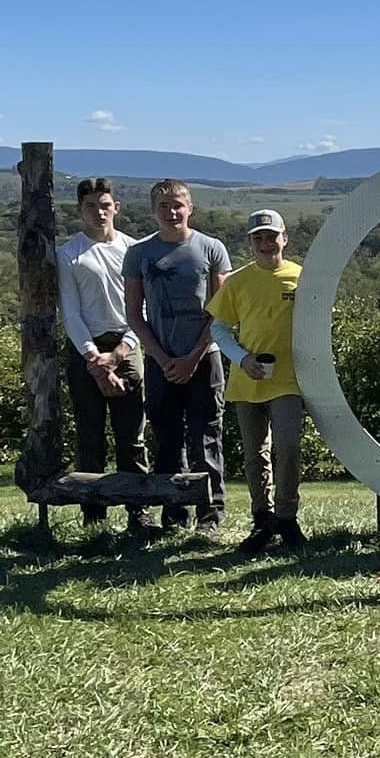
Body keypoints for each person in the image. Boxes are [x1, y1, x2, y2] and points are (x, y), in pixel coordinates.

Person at [123, 179, 233, 536]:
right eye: (164, 206)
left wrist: (192, 357)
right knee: (167, 438)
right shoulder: (139, 254)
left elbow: (221, 312)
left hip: (205, 358)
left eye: (178, 205)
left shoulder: (212, 249)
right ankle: (173, 514)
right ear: (153, 211)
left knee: (206, 438)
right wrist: (161, 357)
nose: (172, 212)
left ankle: (210, 517)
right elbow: (134, 314)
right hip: (160, 362)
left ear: (190, 208)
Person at [207, 210, 306, 555]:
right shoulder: (236, 280)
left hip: (290, 379)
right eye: (258, 238)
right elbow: (219, 328)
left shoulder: (300, 277)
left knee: (289, 446)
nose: (266, 244)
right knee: (254, 455)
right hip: (247, 378)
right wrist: (241, 358)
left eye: (271, 237)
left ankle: (287, 517)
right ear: (250, 243)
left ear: (285, 238)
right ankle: (262, 519)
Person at [57, 177, 150, 539]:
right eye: (91, 206)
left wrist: (120, 352)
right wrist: (96, 361)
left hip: (127, 343)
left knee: (132, 437)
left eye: (105, 205)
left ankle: (137, 513)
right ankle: (94, 518)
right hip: (86, 346)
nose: (99, 212)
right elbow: (71, 312)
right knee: (90, 437)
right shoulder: (69, 254)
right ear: (80, 209)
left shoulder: (134, 250)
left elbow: (141, 307)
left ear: (117, 207)